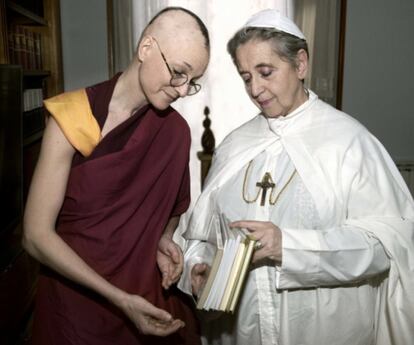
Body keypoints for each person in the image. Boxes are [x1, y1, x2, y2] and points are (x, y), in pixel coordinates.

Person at [178, 8, 414, 345]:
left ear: (300, 64)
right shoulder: (234, 146)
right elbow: (201, 237)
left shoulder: (349, 142)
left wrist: (289, 246)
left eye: (266, 72)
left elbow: (385, 248)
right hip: (243, 332)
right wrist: (197, 269)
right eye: (246, 77)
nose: (255, 89)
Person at [22, 6, 210, 345]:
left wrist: (163, 239)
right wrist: (118, 298)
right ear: (146, 48)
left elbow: (172, 210)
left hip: (143, 298)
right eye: (179, 73)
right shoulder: (71, 116)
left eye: (192, 82)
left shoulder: (176, 133)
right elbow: (35, 235)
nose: (183, 91)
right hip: (74, 303)